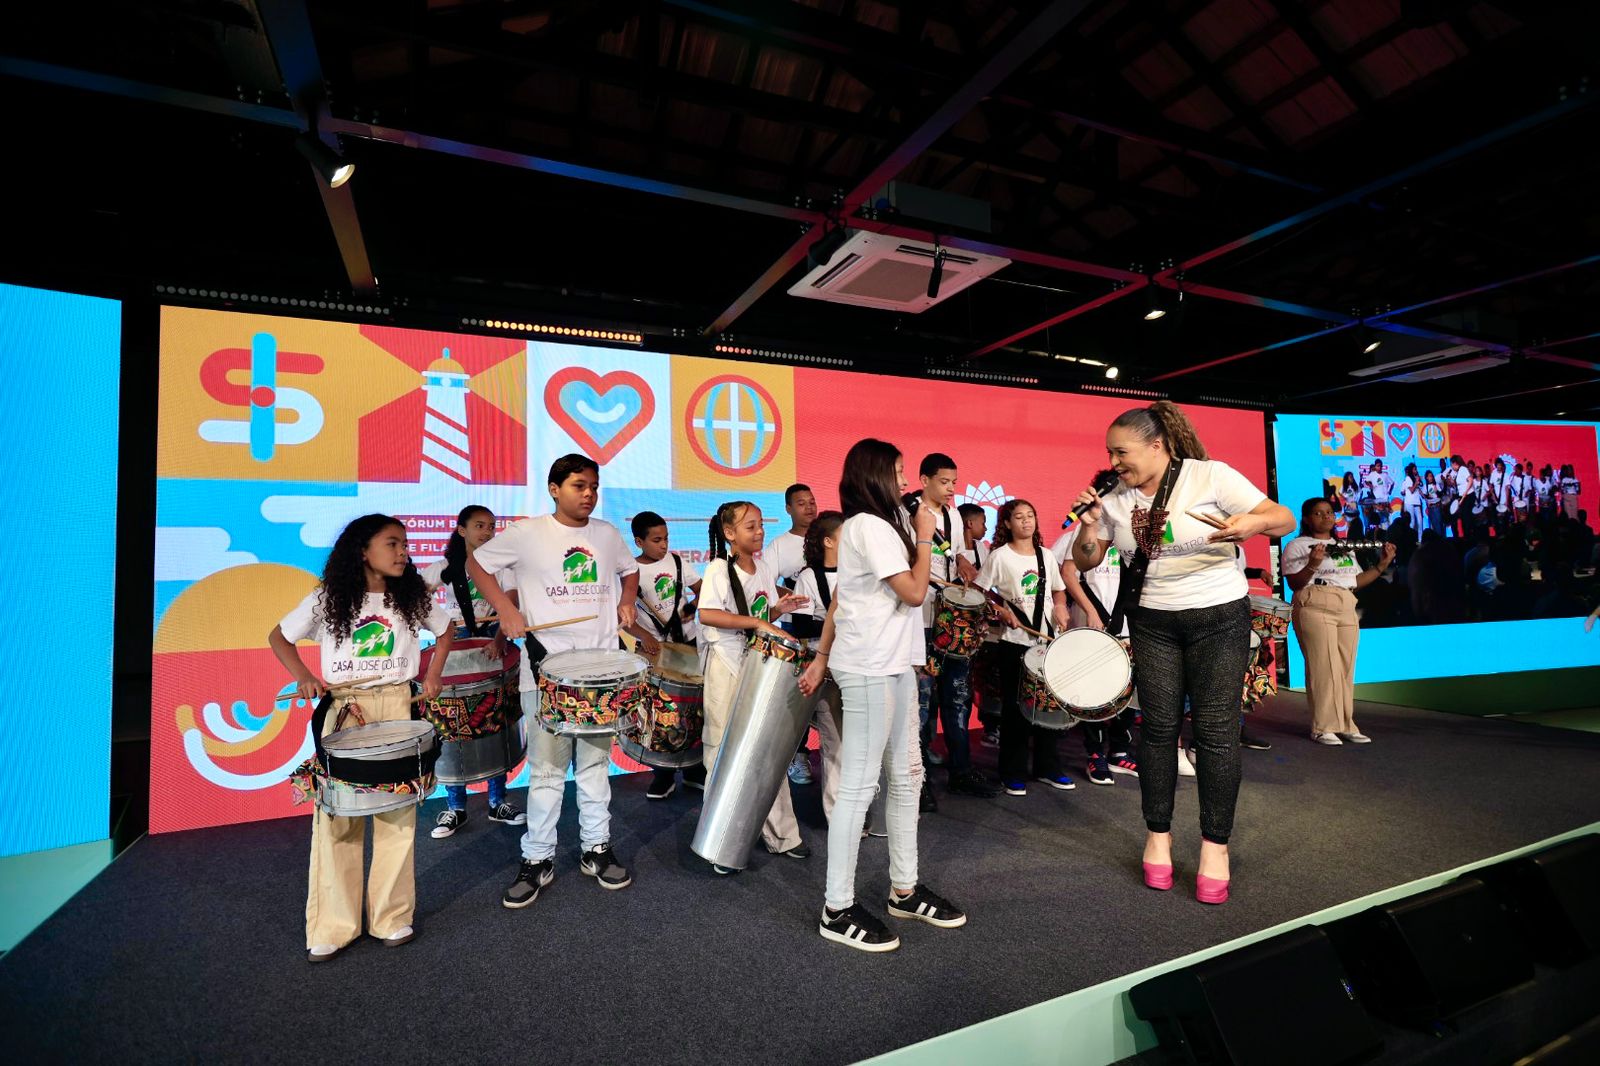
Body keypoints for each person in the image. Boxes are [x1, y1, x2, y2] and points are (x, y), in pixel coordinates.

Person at [1070, 401, 1294, 906]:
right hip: (1152, 623)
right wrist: (1088, 525)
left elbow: (1283, 518)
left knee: (1215, 732)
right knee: (1158, 730)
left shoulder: (1209, 475)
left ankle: (1216, 846)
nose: (1113, 461)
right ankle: (1158, 837)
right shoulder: (1114, 497)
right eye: (1109, 453)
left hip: (1218, 617)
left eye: (1121, 452)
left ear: (1157, 446)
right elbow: (1086, 560)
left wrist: (1250, 524)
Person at [797, 438, 965, 952]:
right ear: (874, 476)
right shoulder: (869, 526)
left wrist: (822, 656)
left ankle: (904, 890)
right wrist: (924, 538)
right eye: (897, 472)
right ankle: (836, 907)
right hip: (869, 667)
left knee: (909, 774)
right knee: (860, 785)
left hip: (894, 665)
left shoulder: (882, 526)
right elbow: (913, 593)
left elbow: (842, 599)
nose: (905, 481)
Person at [269, 514, 454, 962]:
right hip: (346, 710)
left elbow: (445, 629)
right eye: (392, 543)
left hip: (398, 705)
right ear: (363, 551)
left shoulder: (410, 595)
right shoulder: (329, 598)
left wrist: (432, 674)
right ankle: (334, 926)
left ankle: (391, 917)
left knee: (398, 815)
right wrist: (305, 676)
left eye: (404, 544)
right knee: (338, 816)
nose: (403, 552)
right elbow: (280, 636)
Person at [469, 454, 640, 907]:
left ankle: (596, 848)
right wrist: (506, 609)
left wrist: (626, 600)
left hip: (601, 673)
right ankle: (538, 857)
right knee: (546, 772)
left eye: (594, 486)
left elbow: (630, 570)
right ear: (553, 488)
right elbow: (477, 565)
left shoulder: (606, 534)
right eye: (579, 485)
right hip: (546, 673)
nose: (589, 494)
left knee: (594, 768)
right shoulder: (526, 534)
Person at [697, 499, 810, 874]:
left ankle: (782, 835)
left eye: (761, 524)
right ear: (729, 533)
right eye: (750, 526)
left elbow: (759, 614)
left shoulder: (761, 568)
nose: (759, 532)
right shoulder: (718, 568)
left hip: (758, 667)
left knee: (767, 750)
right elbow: (708, 613)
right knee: (722, 753)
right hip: (726, 666)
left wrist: (778, 611)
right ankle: (721, 843)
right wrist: (760, 623)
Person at [420, 506, 526, 838]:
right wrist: (438, 624)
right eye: (479, 526)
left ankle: (498, 801)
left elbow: (510, 602)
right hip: (454, 649)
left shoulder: (501, 566)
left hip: (490, 644)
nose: (487, 532)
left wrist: (499, 639)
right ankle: (455, 808)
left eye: (491, 526)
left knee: (494, 721)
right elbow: (413, 598)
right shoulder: (445, 568)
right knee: (451, 726)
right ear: (462, 530)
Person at [977, 498, 1073, 796]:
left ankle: (1047, 768)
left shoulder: (1046, 555)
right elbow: (980, 592)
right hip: (1014, 643)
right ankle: (1012, 772)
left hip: (1047, 641)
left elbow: (1058, 591)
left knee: (1049, 706)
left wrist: (1061, 607)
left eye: (1030, 515)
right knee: (1016, 709)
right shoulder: (1000, 556)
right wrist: (1000, 610)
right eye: (1019, 517)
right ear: (1007, 523)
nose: (1026, 521)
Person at [912, 453, 992, 806]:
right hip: (920, 622)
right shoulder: (909, 513)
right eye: (944, 482)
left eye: (954, 483)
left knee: (958, 697)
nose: (950, 489)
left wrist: (961, 562)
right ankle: (918, 780)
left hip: (951, 619)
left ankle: (961, 771)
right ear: (924, 480)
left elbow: (955, 552)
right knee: (920, 703)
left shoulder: (954, 516)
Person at [1282, 499, 1395, 746]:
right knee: (1324, 667)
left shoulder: (1343, 547)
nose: (1325, 517)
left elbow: (1354, 580)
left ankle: (1346, 724)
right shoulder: (1297, 545)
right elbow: (1294, 583)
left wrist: (1382, 565)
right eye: (1318, 513)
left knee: (1345, 667)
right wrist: (1312, 564)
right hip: (1315, 600)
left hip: (1345, 602)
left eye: (1329, 512)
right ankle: (1323, 727)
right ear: (1306, 519)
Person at [1056, 480, 1138, 786]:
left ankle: (1119, 751)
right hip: (1093, 624)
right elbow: (1067, 574)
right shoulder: (1079, 533)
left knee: (1126, 690)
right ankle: (1095, 754)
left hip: (1127, 624)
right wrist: (1090, 611)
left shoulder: (1130, 534)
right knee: (1095, 692)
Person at [625, 510, 706, 801]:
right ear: (639, 541)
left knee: (693, 709)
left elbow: (702, 590)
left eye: (666, 539)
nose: (663, 545)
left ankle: (695, 769)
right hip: (654, 651)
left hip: (688, 645)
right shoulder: (630, 572)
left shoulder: (678, 562)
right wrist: (644, 636)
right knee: (660, 714)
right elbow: (623, 617)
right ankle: (663, 774)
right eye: (656, 540)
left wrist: (690, 609)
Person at [767, 483, 818, 786]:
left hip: (828, 627)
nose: (809, 507)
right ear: (788, 509)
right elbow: (764, 581)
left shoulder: (829, 537)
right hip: (794, 627)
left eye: (812, 502)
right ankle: (797, 756)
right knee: (797, 696)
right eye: (801, 503)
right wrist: (795, 594)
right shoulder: (779, 545)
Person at [960, 503, 1003, 749]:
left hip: (979, 626)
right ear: (969, 524)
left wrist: (1003, 606)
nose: (986, 528)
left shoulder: (982, 550)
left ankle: (990, 727)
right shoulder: (952, 550)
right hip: (956, 625)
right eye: (983, 523)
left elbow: (986, 586)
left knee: (983, 680)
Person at [1401, 463, 1424, 533]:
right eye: (1414, 469)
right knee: (1412, 522)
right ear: (1411, 470)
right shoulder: (1408, 478)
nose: (1416, 470)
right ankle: (1411, 537)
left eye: (1416, 469)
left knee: (1420, 521)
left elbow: (1420, 487)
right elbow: (1411, 490)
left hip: (1417, 501)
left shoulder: (1416, 478)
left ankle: (1420, 538)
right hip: (1410, 502)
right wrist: (1416, 483)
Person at [1423, 470, 1442, 537]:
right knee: (1433, 524)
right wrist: (1428, 498)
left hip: (1437, 506)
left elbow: (1440, 495)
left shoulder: (1436, 485)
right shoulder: (1425, 486)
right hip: (1430, 507)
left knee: (1438, 524)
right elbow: (1425, 496)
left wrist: (1436, 491)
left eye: (1431, 476)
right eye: (1429, 476)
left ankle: (1440, 539)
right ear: (1426, 478)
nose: (1430, 478)